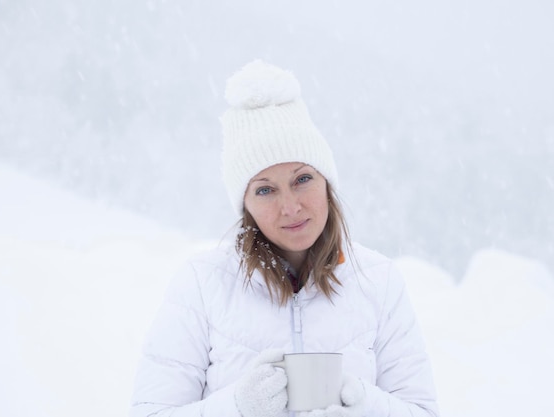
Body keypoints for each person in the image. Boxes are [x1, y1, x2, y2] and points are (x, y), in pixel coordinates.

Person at [129, 60, 439, 417]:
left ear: (326, 182)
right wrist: (237, 408)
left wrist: (363, 405)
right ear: (244, 204)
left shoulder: (378, 281)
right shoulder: (203, 283)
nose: (290, 207)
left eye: (302, 179)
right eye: (265, 190)